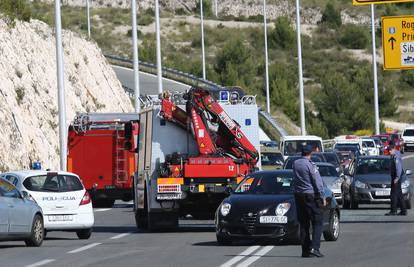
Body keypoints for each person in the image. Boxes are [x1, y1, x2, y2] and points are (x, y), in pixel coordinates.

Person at [293, 145, 326, 258]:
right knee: (318, 221)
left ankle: (305, 250)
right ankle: (314, 248)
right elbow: (317, 181)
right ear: (310, 153)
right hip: (310, 195)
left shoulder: (295, 163)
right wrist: (322, 196)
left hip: (299, 195)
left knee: (304, 223)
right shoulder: (311, 165)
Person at [385, 142, 407, 216]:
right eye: (388, 150)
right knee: (399, 194)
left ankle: (393, 210)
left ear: (394, 149)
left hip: (396, 177)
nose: (389, 152)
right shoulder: (394, 155)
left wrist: (397, 177)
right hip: (395, 176)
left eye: (390, 150)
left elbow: (399, 168)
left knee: (393, 194)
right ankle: (403, 210)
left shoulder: (396, 156)